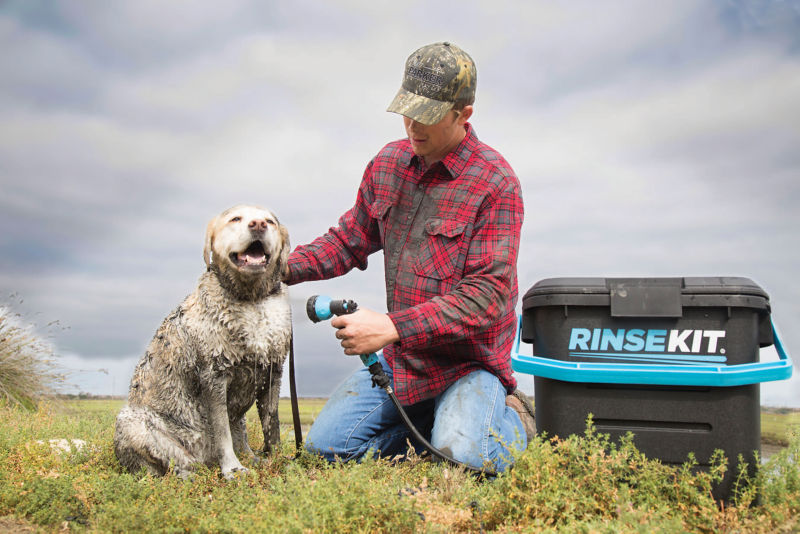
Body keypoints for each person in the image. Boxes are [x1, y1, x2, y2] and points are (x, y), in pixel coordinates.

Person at [285, 41, 533, 471]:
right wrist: (279, 268)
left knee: (465, 459)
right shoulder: (387, 165)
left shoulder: (496, 183)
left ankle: (514, 421)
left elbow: (485, 297)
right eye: (407, 110)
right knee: (325, 452)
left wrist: (390, 326)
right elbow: (349, 239)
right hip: (404, 364)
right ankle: (433, 430)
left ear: (463, 113)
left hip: (468, 365)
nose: (413, 126)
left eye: (429, 115)